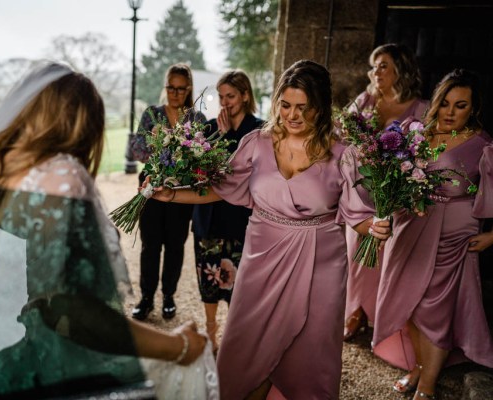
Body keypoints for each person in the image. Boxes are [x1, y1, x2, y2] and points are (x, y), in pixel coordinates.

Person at [0, 62, 215, 399]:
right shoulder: (60, 178)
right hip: (29, 368)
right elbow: (81, 314)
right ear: (84, 127)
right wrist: (179, 345)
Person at [147, 60, 391, 399]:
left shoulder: (343, 153)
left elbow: (357, 214)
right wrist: (172, 194)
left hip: (320, 260)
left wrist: (375, 226)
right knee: (247, 341)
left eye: (303, 108)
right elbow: (220, 188)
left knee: (312, 345)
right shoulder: (256, 143)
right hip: (262, 254)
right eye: (285, 105)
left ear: (320, 107)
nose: (292, 115)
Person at [372, 69, 493, 399]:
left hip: (455, 238)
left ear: (473, 108)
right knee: (410, 305)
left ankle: (426, 386)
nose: (450, 112)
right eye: (445, 104)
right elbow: (395, 179)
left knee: (435, 312)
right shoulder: (417, 135)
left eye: (461, 105)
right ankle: (419, 367)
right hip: (412, 228)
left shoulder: (482, 145)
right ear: (436, 103)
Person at [343, 43, 430, 341]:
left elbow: (425, 154)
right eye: (374, 66)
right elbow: (344, 136)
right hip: (362, 190)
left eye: (383, 65)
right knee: (356, 249)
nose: (375, 71)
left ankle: (381, 315)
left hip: (396, 193)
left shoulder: (422, 108)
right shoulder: (365, 100)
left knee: (388, 257)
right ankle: (355, 310)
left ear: (400, 71)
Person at [191, 69, 264, 354]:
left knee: (239, 285)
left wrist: (228, 137)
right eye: (221, 97)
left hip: (239, 219)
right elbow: (201, 172)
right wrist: (219, 136)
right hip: (208, 217)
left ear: (245, 95)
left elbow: (249, 173)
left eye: (230, 96)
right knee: (208, 277)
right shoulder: (209, 128)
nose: (225, 103)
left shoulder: (260, 131)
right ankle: (210, 333)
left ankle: (235, 338)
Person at [132, 63, 207, 321]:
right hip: (151, 188)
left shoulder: (197, 120)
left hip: (181, 192)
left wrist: (183, 154)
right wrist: (155, 143)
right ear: (166, 87)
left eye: (180, 89)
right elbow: (136, 150)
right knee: (149, 245)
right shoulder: (151, 114)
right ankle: (146, 298)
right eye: (170, 88)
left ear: (188, 89)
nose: (175, 93)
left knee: (175, 246)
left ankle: (169, 297)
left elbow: (202, 159)